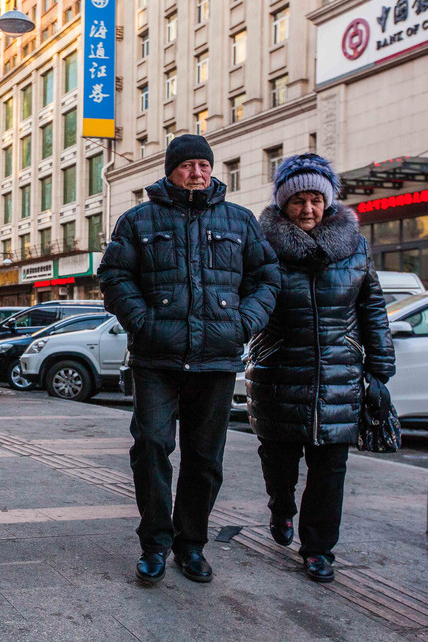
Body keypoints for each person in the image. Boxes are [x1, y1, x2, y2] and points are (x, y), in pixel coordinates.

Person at [98, 134, 280, 586]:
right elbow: (114, 276)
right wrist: (142, 321)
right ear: (170, 169)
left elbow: (266, 278)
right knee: (152, 446)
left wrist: (243, 323)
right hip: (155, 357)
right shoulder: (138, 220)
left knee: (204, 457)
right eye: (188, 165)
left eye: (204, 164)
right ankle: (155, 544)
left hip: (216, 358)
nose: (197, 173)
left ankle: (191, 544)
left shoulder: (239, 221)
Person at [246, 153, 395, 584]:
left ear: (328, 202)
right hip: (279, 373)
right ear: (283, 204)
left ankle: (318, 549)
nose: (308, 209)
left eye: (316, 199)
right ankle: (281, 507)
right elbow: (247, 302)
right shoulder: (262, 247)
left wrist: (380, 372)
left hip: (339, 373)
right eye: (298, 201)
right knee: (278, 459)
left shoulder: (354, 247)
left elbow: (373, 309)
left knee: (330, 468)